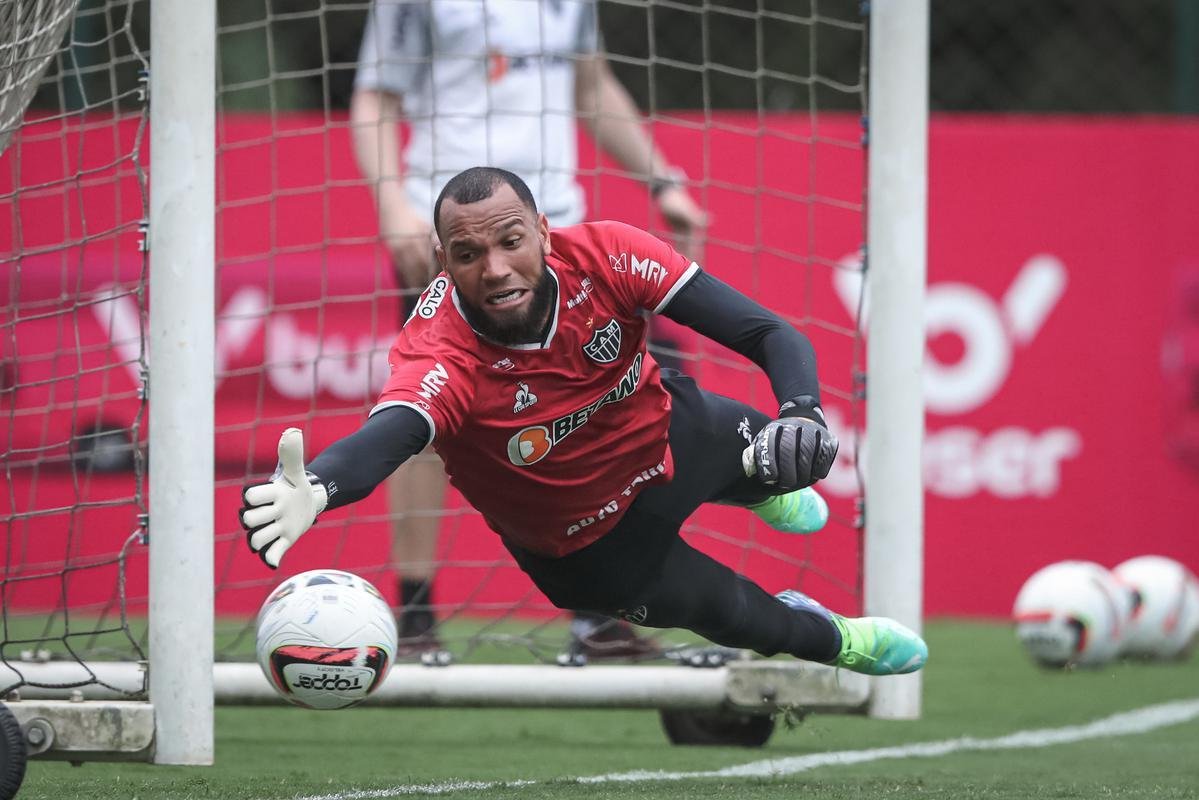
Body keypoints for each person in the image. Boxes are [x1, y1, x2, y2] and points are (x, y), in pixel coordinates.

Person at [241, 167, 928, 678]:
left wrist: (800, 411)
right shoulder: (439, 351)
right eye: (468, 255)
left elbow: (767, 334)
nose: (497, 269)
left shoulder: (608, 253)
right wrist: (323, 488)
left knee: (772, 441)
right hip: (589, 548)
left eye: (510, 241)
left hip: (667, 432)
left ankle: (762, 484)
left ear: (542, 232)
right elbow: (392, 433)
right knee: (742, 617)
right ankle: (843, 639)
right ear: (441, 262)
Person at [349, 0, 706, 656]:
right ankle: (417, 618)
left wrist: (662, 182)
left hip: (556, 233)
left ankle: (598, 614)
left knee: (607, 409)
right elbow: (374, 96)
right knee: (425, 418)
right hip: (452, 236)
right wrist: (392, 202)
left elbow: (591, 84)